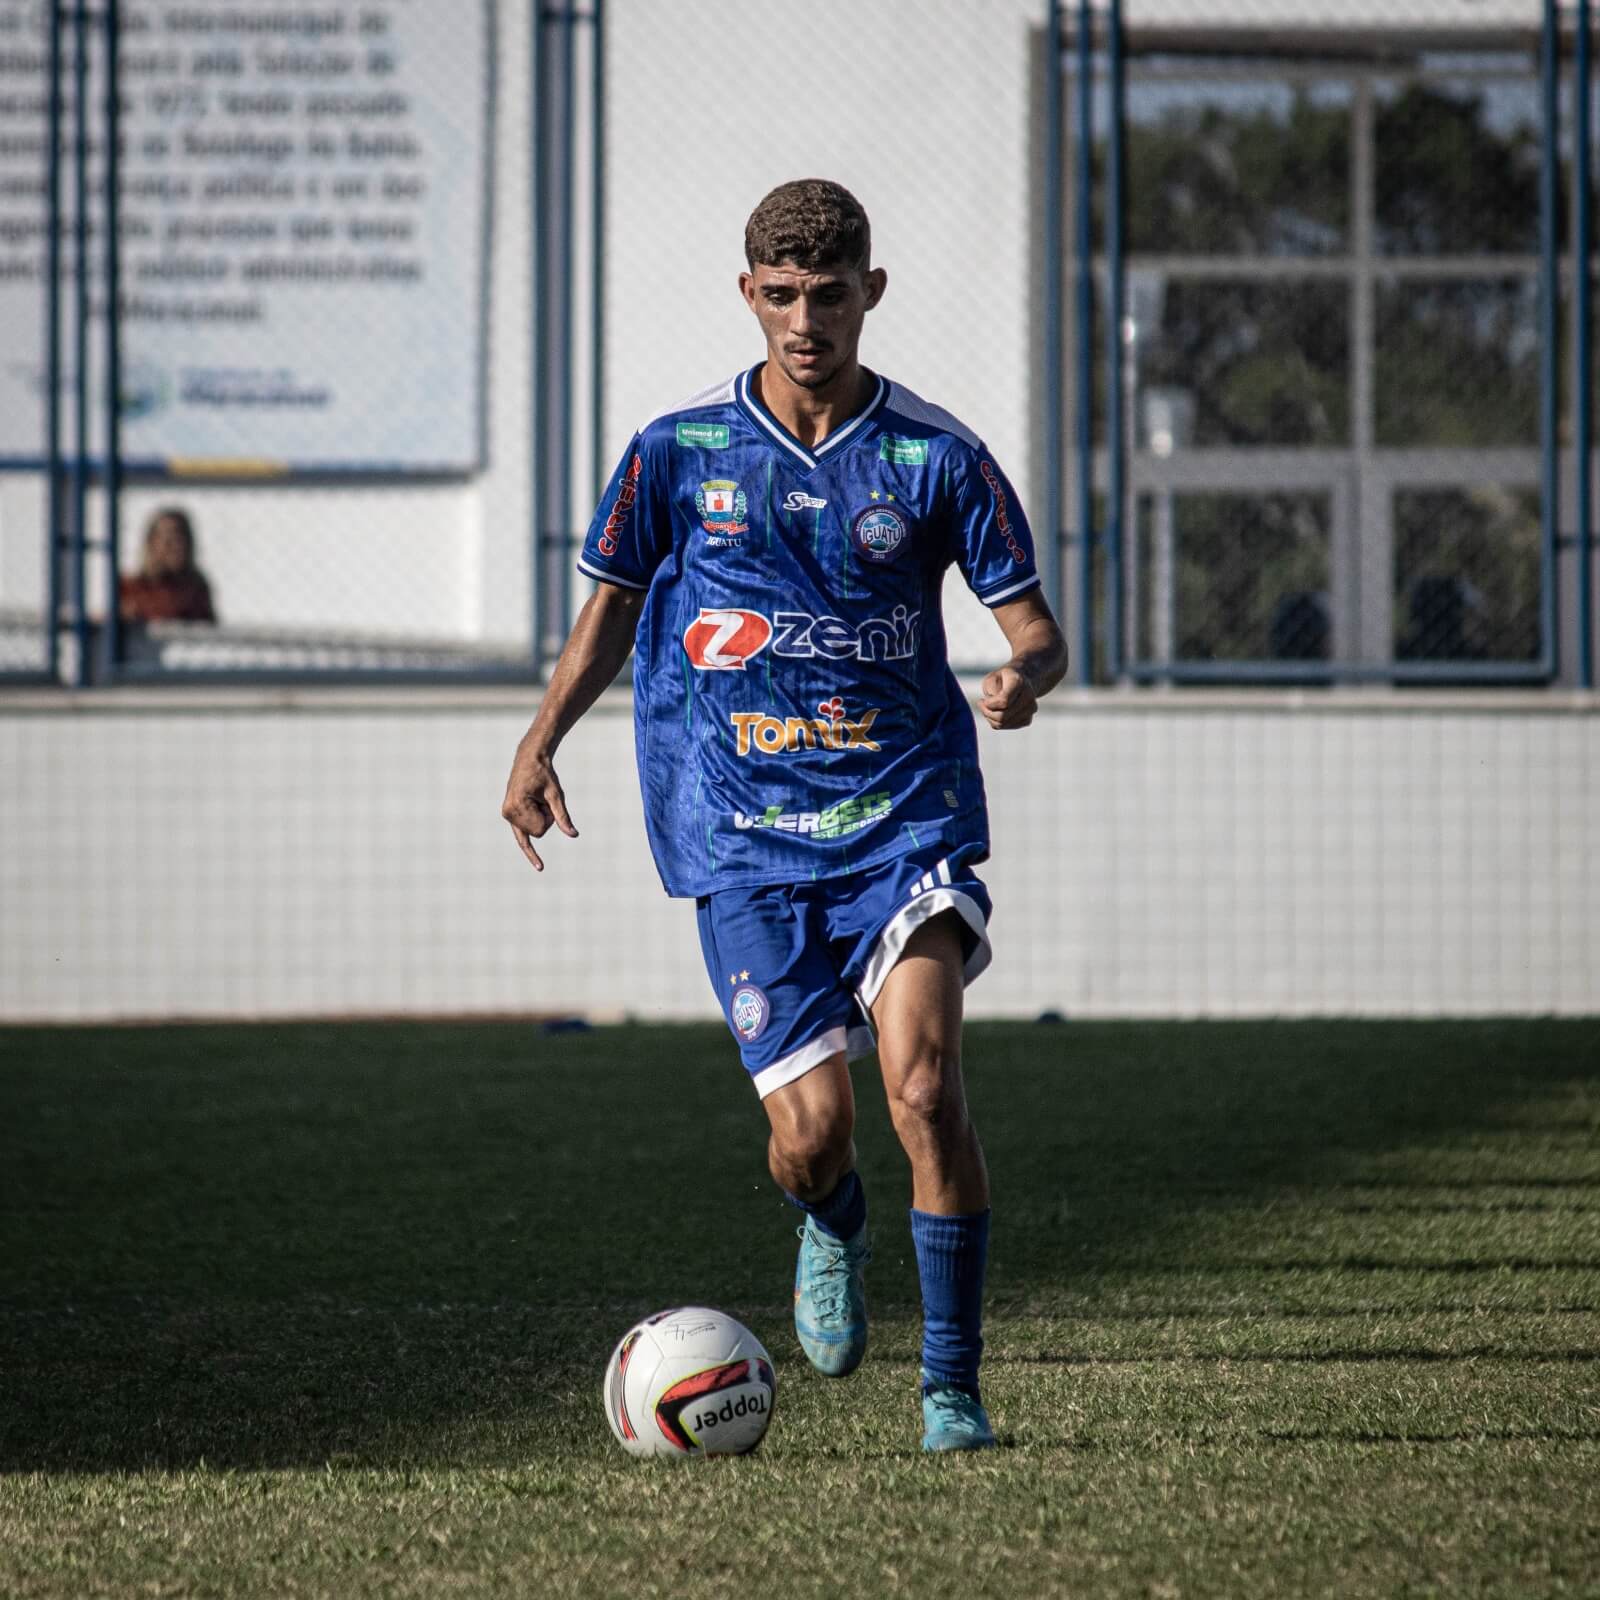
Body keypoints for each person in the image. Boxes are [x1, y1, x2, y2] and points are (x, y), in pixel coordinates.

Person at [502, 179, 1067, 1452]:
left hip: (902, 819)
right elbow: (605, 614)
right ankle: (834, 1218)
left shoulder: (936, 456)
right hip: (741, 831)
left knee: (925, 1086)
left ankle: (951, 1391)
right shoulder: (676, 451)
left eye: (828, 293)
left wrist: (1021, 679)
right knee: (812, 1139)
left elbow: (1037, 632)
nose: (805, 318)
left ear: (870, 291)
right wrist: (538, 740)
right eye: (781, 294)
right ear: (747, 295)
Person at [119, 507, 216, 624]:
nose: (177, 546)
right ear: (152, 543)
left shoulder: (195, 588)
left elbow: (207, 629)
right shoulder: (131, 587)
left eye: (181, 538)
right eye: (168, 539)